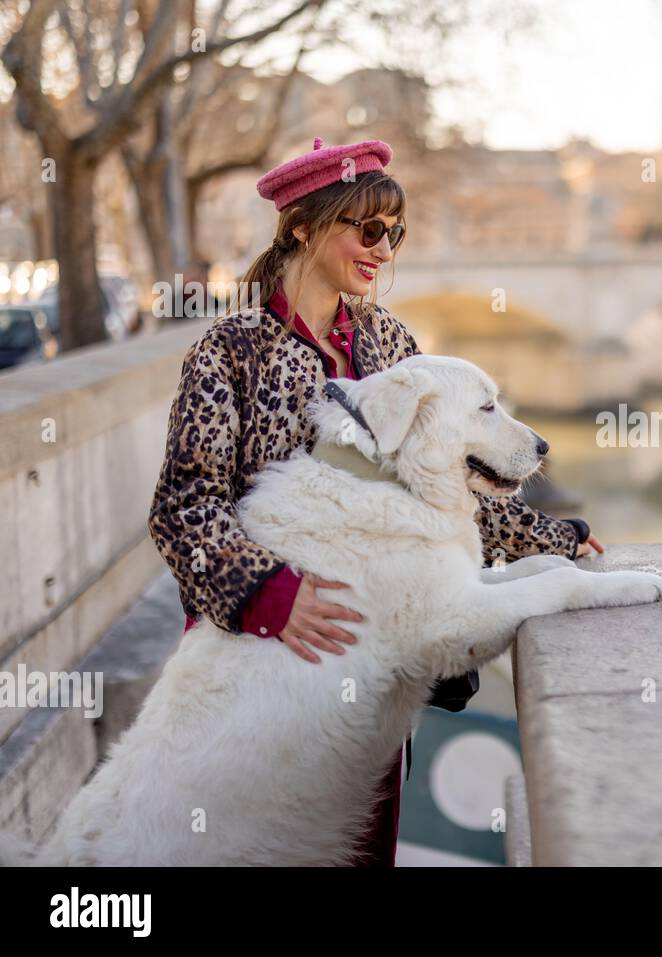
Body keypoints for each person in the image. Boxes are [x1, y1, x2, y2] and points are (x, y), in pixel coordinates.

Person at [147, 136, 604, 866]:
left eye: (395, 233)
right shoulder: (230, 349)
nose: (384, 249)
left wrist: (545, 536)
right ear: (303, 226)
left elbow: (442, 480)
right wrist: (274, 597)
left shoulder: (393, 342)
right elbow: (183, 508)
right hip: (260, 671)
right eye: (368, 229)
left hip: (373, 660)